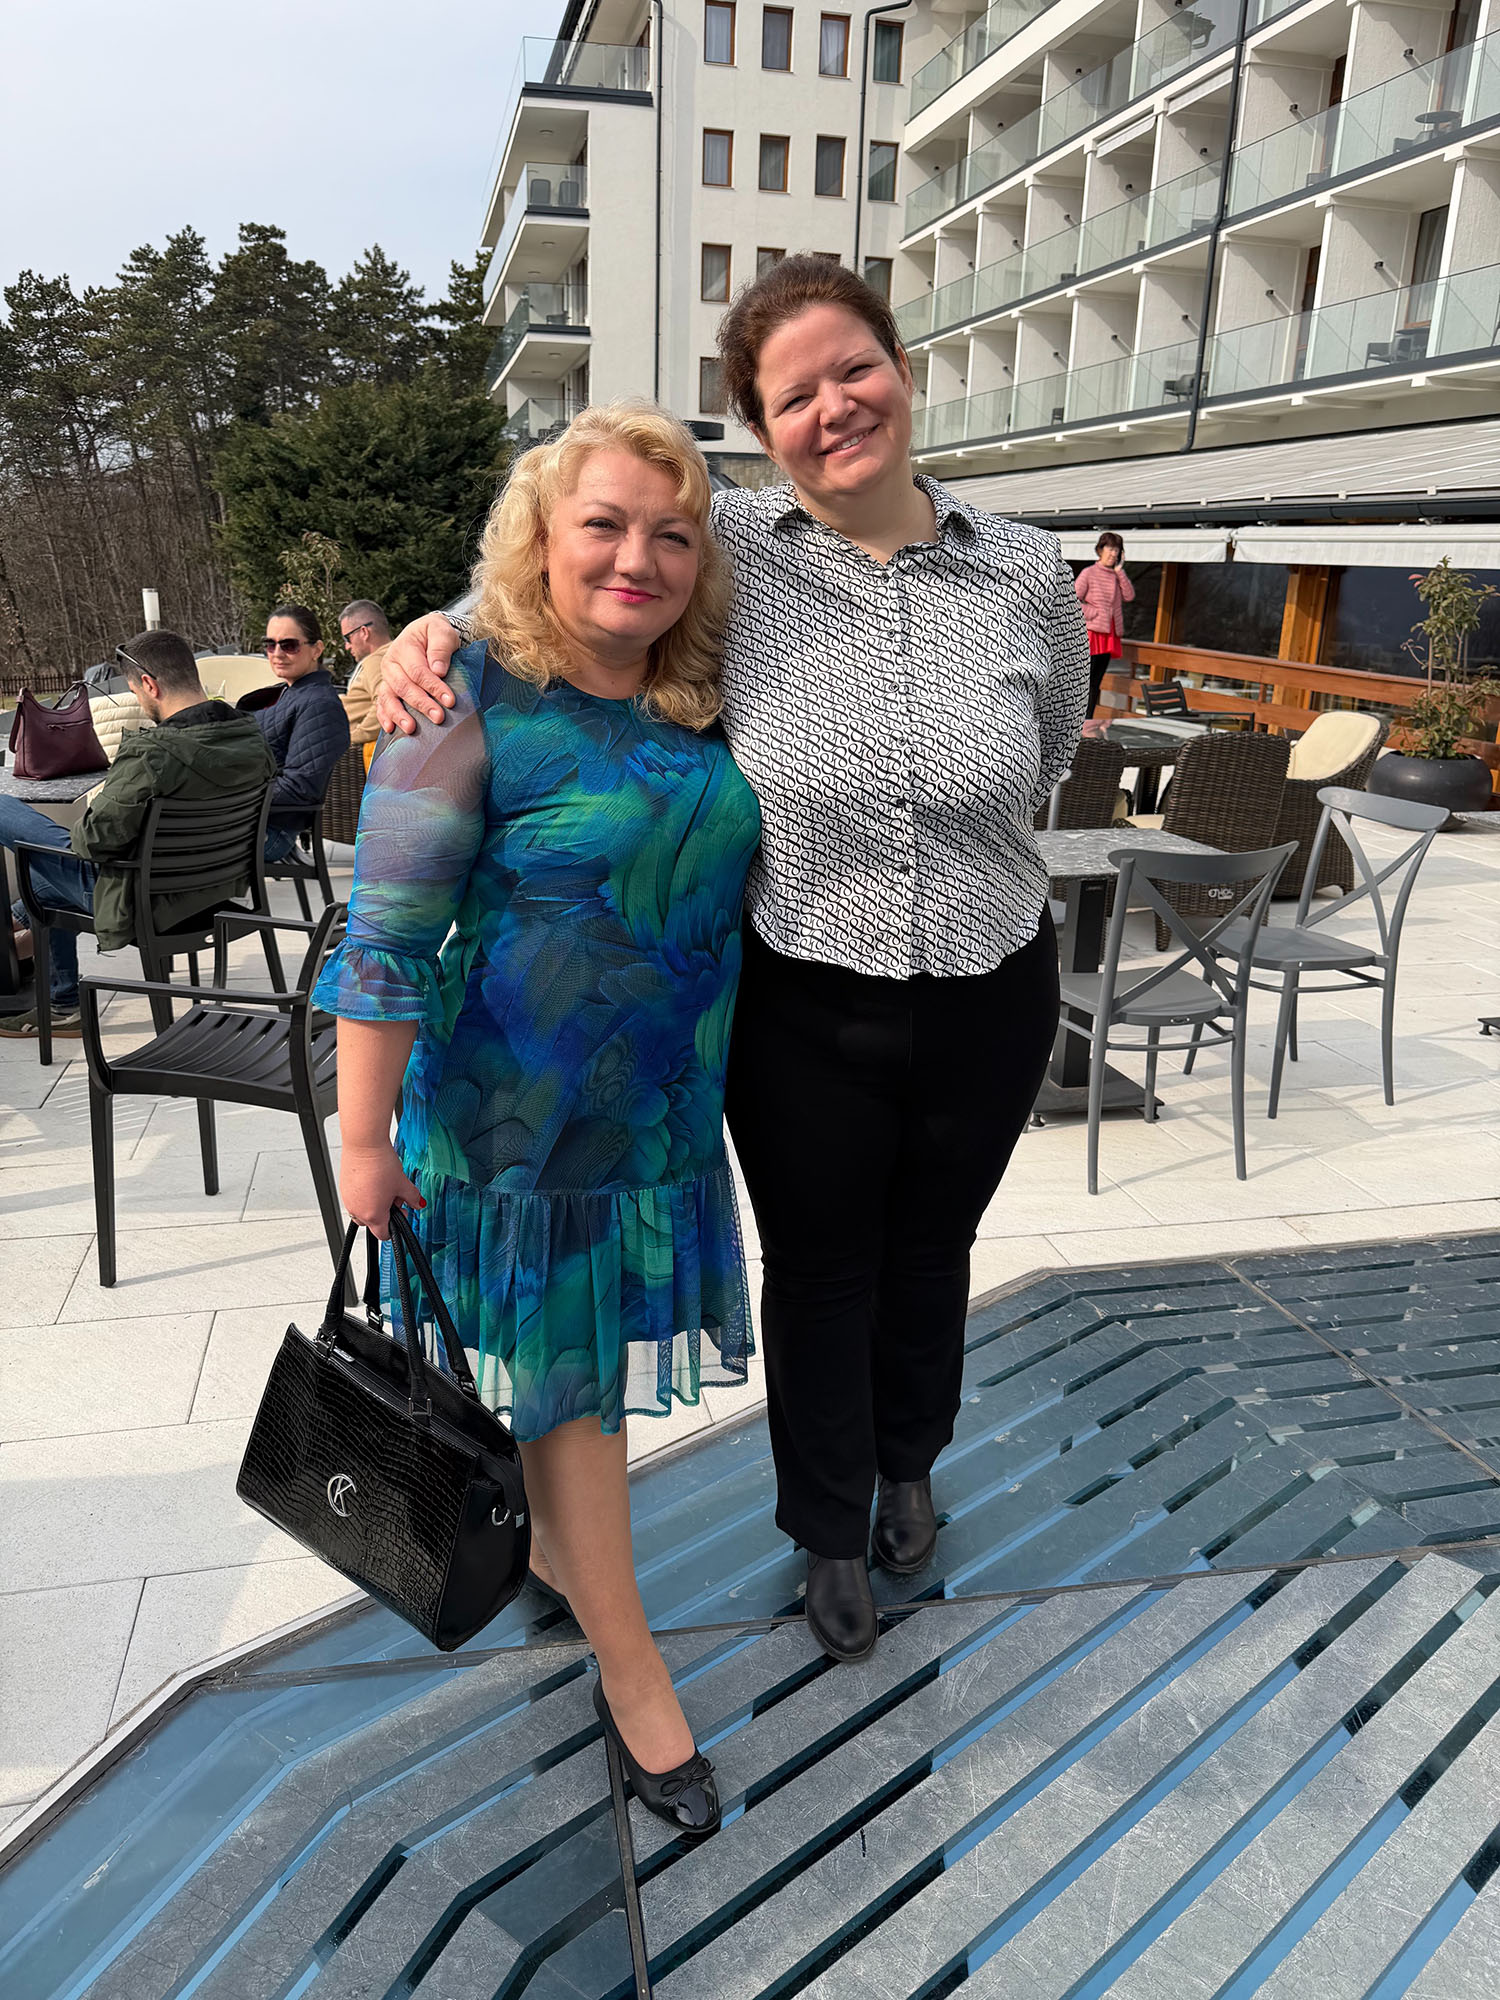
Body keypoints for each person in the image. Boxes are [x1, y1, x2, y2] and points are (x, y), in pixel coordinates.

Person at [375, 256, 1088, 1666]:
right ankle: (828, 1528)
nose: (836, 406)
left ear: (903, 368)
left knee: (932, 1249)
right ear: (762, 432)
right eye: (795, 395)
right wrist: (432, 631)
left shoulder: (1025, 569)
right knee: (822, 1267)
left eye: (854, 368)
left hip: (992, 977)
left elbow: (1052, 740)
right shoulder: (733, 551)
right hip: (804, 989)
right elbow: (562, 580)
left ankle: (910, 1464)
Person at [315, 403, 760, 1841]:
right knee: (574, 1398)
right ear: (540, 540)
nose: (638, 558)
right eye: (603, 525)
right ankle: (634, 1671)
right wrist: (362, 1140)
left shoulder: (696, 698)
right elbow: (386, 937)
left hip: (657, 1125)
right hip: (518, 1133)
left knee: (581, 1389)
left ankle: (564, 1569)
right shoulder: (464, 699)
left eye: (672, 534)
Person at [0, 630, 276, 1038]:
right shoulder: (251, 737)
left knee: (10, 819)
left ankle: (58, 1000)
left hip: (145, 904)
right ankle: (56, 996)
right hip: (215, 891)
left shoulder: (153, 754)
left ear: (149, 684)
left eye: (133, 691)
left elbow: (91, 842)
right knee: (42, 885)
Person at [257, 605, 352, 862]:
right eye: (270, 645)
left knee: (167, 846)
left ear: (317, 649)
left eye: (289, 645)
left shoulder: (319, 704)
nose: (277, 653)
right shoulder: (286, 693)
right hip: (251, 821)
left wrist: (227, 798)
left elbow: (300, 787)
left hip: (271, 831)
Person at [1074, 531, 1135, 722]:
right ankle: (1077, 722)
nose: (1113, 553)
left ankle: (1088, 722)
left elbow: (1129, 596)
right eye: (1110, 548)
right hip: (1092, 634)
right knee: (1085, 682)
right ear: (1100, 550)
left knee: (1096, 683)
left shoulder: (1117, 575)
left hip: (1109, 634)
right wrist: (1094, 613)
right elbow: (1072, 601)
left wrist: (1120, 571)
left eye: (1117, 550)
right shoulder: (1089, 573)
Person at [337, 599, 392, 766]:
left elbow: (385, 701)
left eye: (347, 638)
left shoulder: (376, 660)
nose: (347, 646)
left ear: (364, 632)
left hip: (347, 757)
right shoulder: (391, 655)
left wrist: (354, 737)